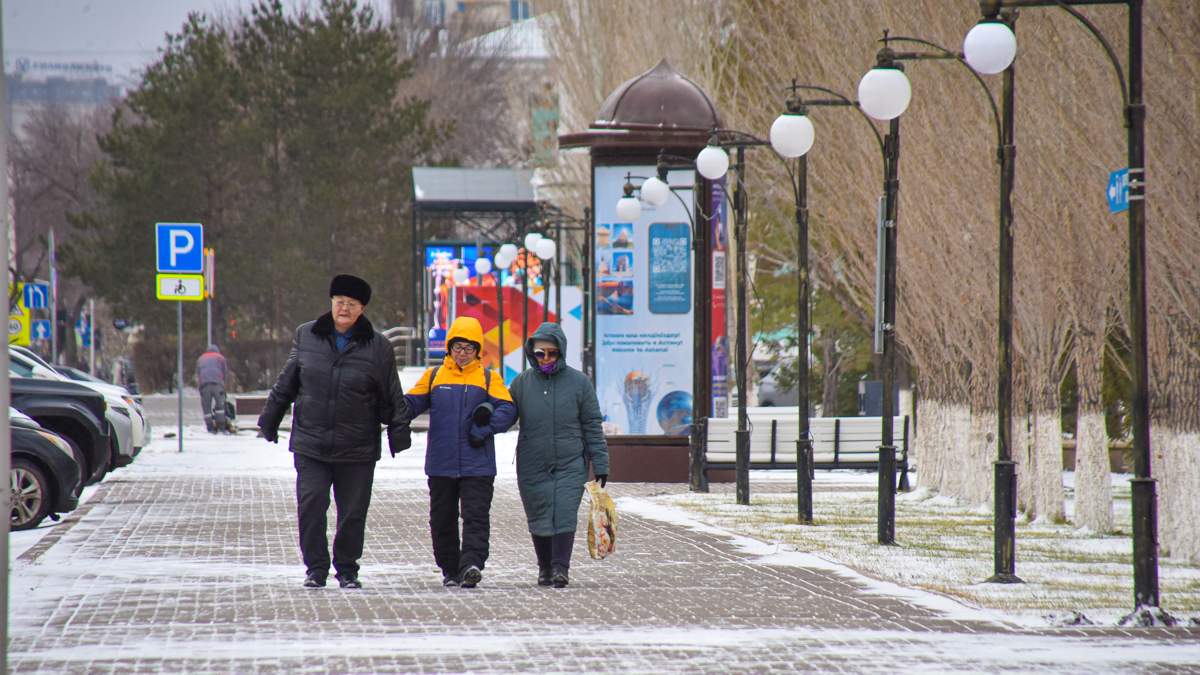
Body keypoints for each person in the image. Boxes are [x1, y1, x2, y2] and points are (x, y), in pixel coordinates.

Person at [257, 274, 411, 590]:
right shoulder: (307, 335)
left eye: (351, 304)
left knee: (352, 513)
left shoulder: (378, 346)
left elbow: (391, 392)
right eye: (339, 301)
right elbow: (288, 381)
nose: (343, 308)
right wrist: (270, 419)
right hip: (311, 443)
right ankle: (316, 568)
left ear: (361, 309)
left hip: (357, 447)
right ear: (331, 302)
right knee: (311, 504)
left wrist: (399, 429)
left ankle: (347, 569)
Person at [404, 316, 515, 588]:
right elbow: (409, 403)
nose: (462, 353)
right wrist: (386, 408)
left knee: (475, 518)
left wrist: (485, 428)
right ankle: (450, 568)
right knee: (442, 520)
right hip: (441, 463)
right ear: (449, 349)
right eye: (457, 347)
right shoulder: (434, 376)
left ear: (478, 350)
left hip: (478, 464)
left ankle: (471, 565)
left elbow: (508, 409)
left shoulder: (489, 378)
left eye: (468, 348)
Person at [507, 322, 609, 588]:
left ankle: (561, 568)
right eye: (540, 353)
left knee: (564, 512)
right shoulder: (521, 383)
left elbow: (591, 424)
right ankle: (544, 568)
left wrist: (600, 462)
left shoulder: (579, 383)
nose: (546, 359)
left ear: (561, 352)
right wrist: (483, 414)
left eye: (551, 353)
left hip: (570, 461)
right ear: (532, 353)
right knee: (539, 513)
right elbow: (504, 414)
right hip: (532, 460)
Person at [196, 344, 229, 434]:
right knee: (220, 406)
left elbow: (198, 374)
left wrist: (200, 387)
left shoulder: (201, 358)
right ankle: (221, 426)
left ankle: (210, 427)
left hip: (204, 385)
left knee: (206, 407)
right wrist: (223, 384)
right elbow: (224, 372)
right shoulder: (220, 358)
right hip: (217, 384)